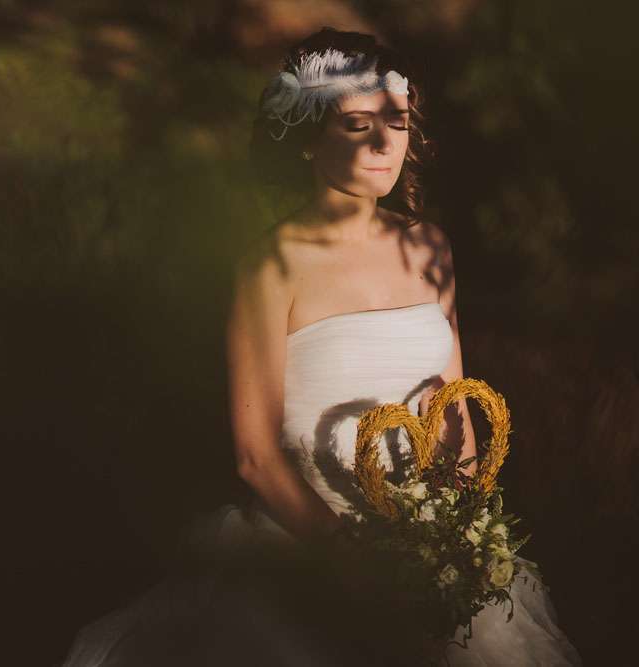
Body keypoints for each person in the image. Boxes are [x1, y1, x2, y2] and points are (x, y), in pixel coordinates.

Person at [61, 27, 583, 666]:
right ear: (307, 139)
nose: (385, 144)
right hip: (313, 546)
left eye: (398, 123)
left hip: (433, 540)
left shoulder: (429, 247)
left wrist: (461, 537)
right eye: (358, 125)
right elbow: (255, 455)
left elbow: (453, 409)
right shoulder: (271, 267)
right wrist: (353, 563)